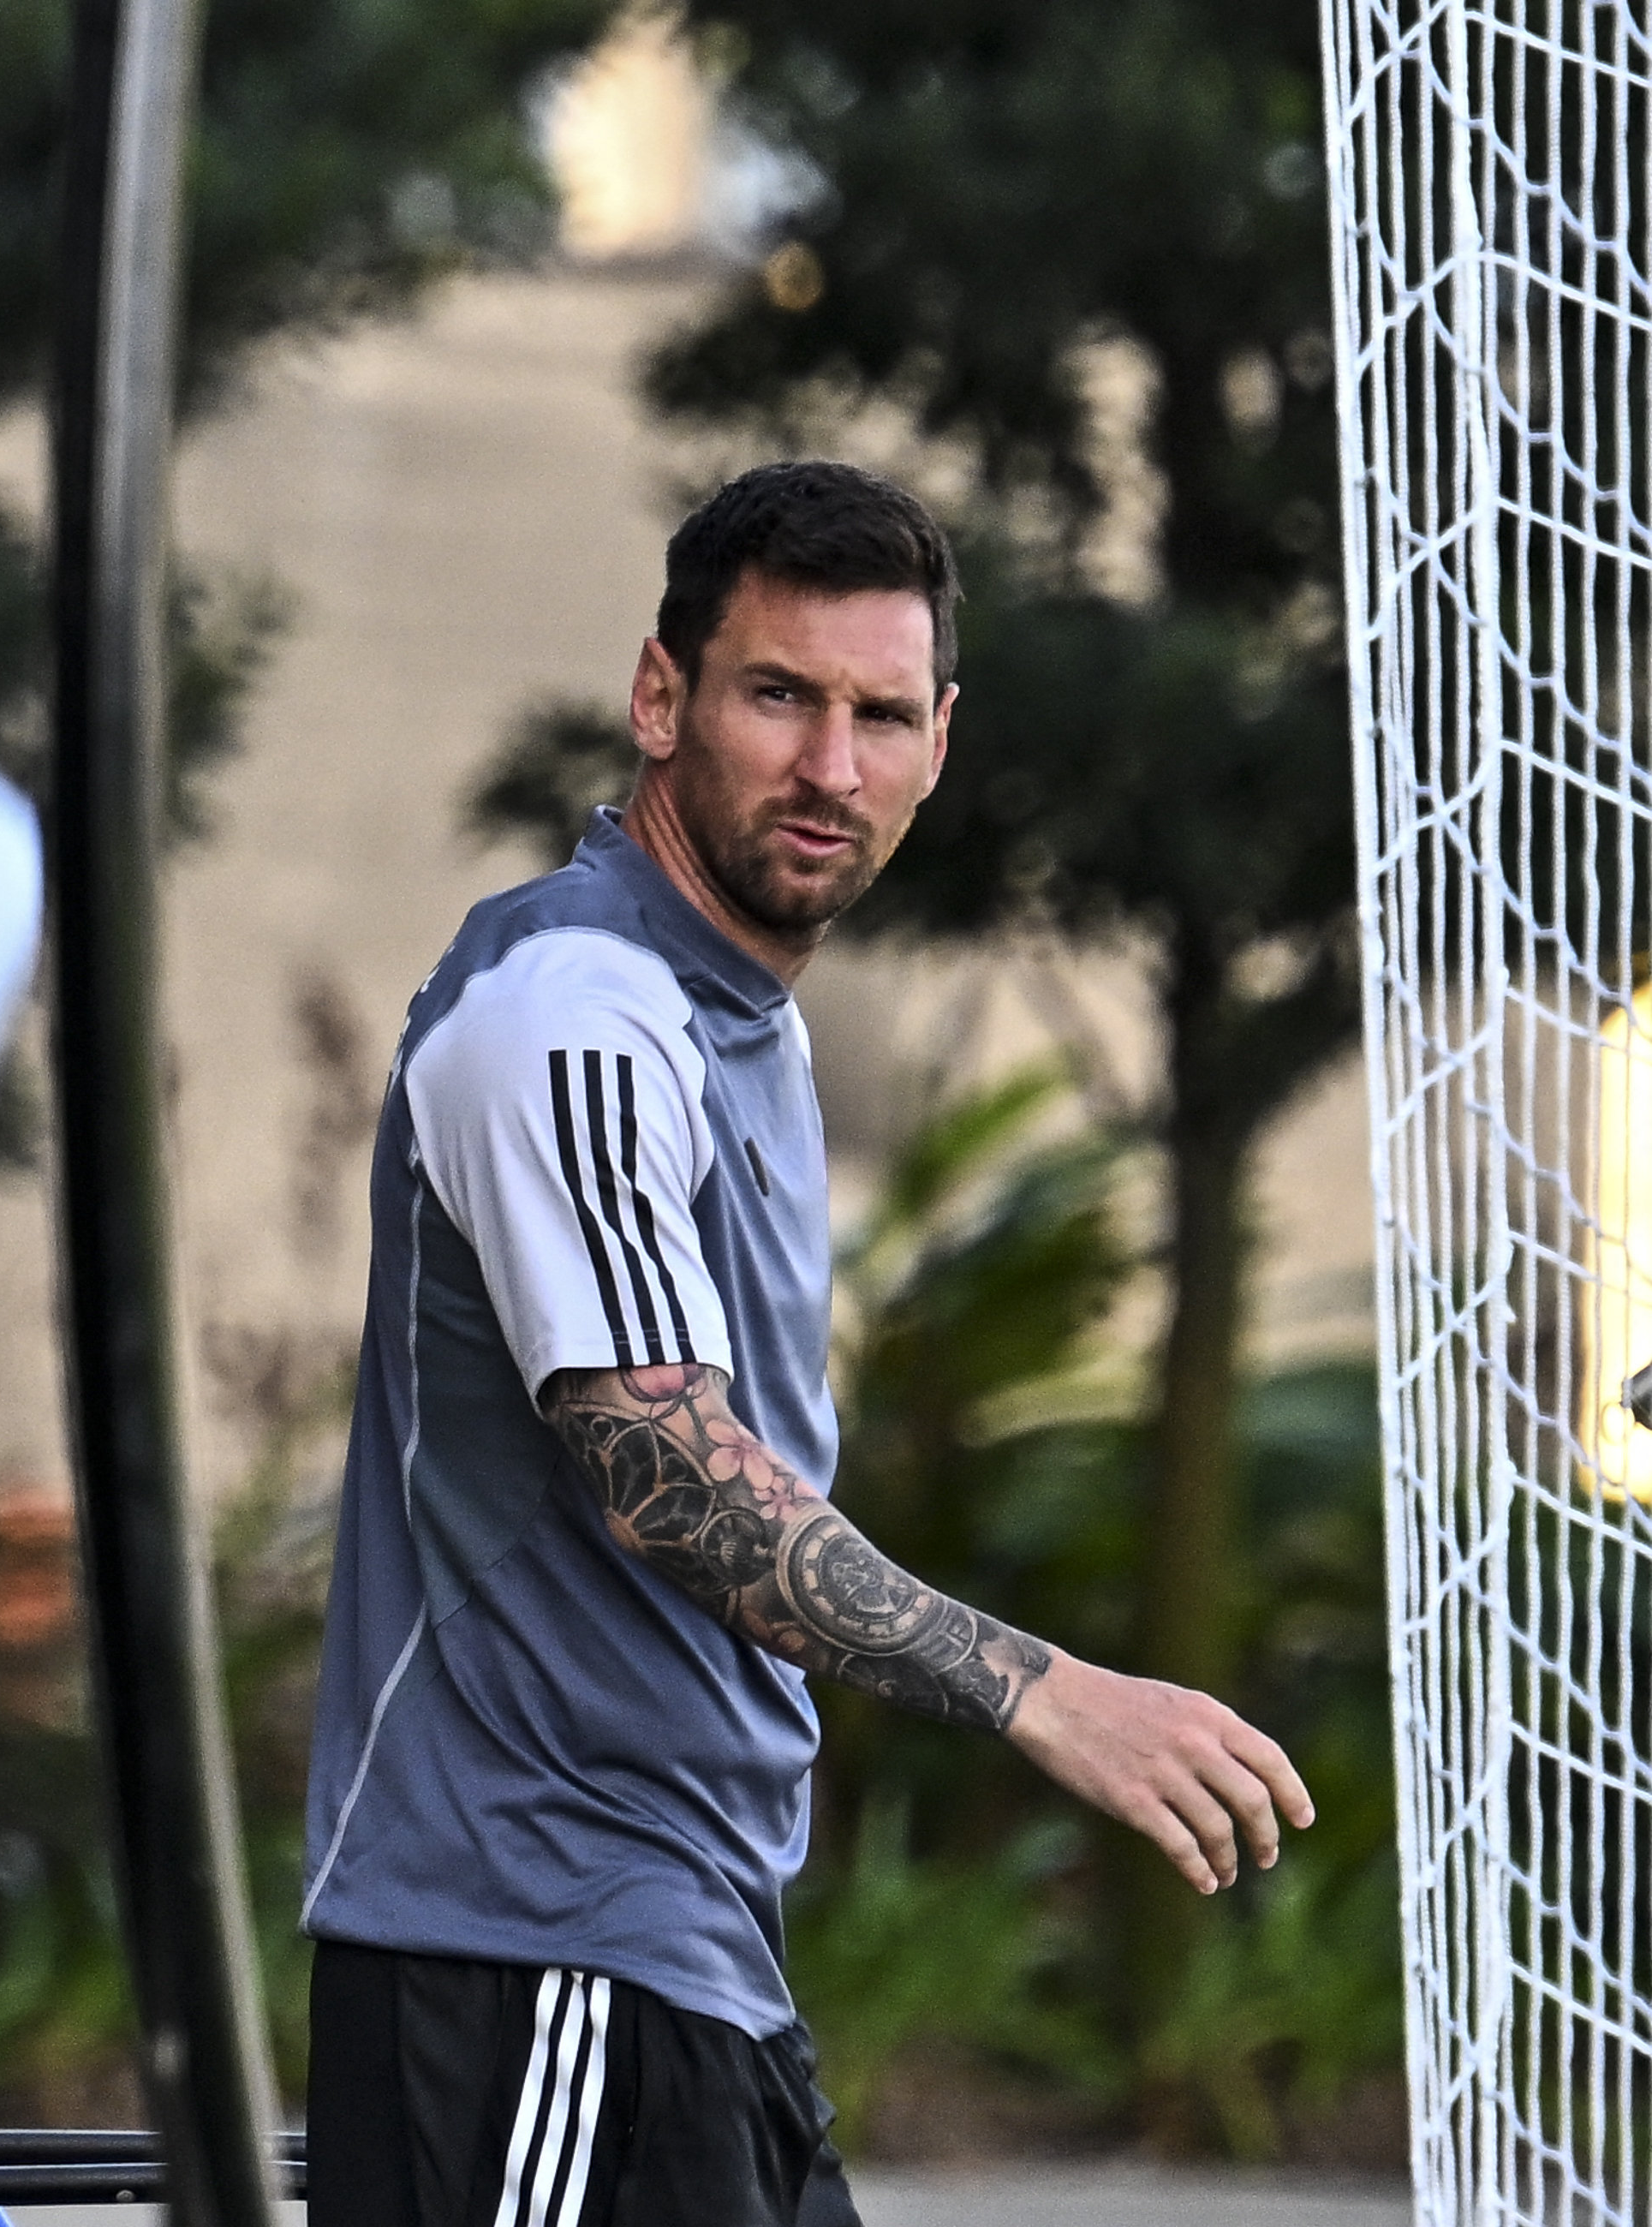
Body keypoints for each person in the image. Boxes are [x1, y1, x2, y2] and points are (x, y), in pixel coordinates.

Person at [298, 460, 1313, 2227]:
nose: (832, 768)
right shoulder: (575, 1013)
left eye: (882, 714)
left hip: (678, 1961)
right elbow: (666, 1474)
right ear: (660, 696)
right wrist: (1045, 1688)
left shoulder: (735, 1017)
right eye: (780, 696)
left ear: (940, 738)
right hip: (533, 1955)